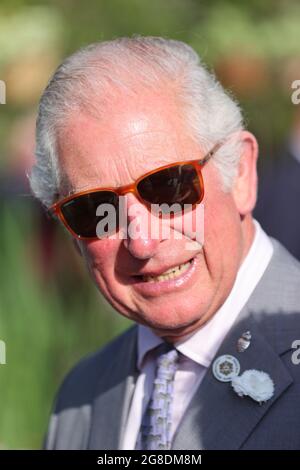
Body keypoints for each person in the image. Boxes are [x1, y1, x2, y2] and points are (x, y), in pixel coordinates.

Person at [29, 37, 300, 450]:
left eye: (168, 187)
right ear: (70, 231)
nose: (142, 240)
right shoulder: (80, 397)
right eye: (94, 208)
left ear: (241, 172)